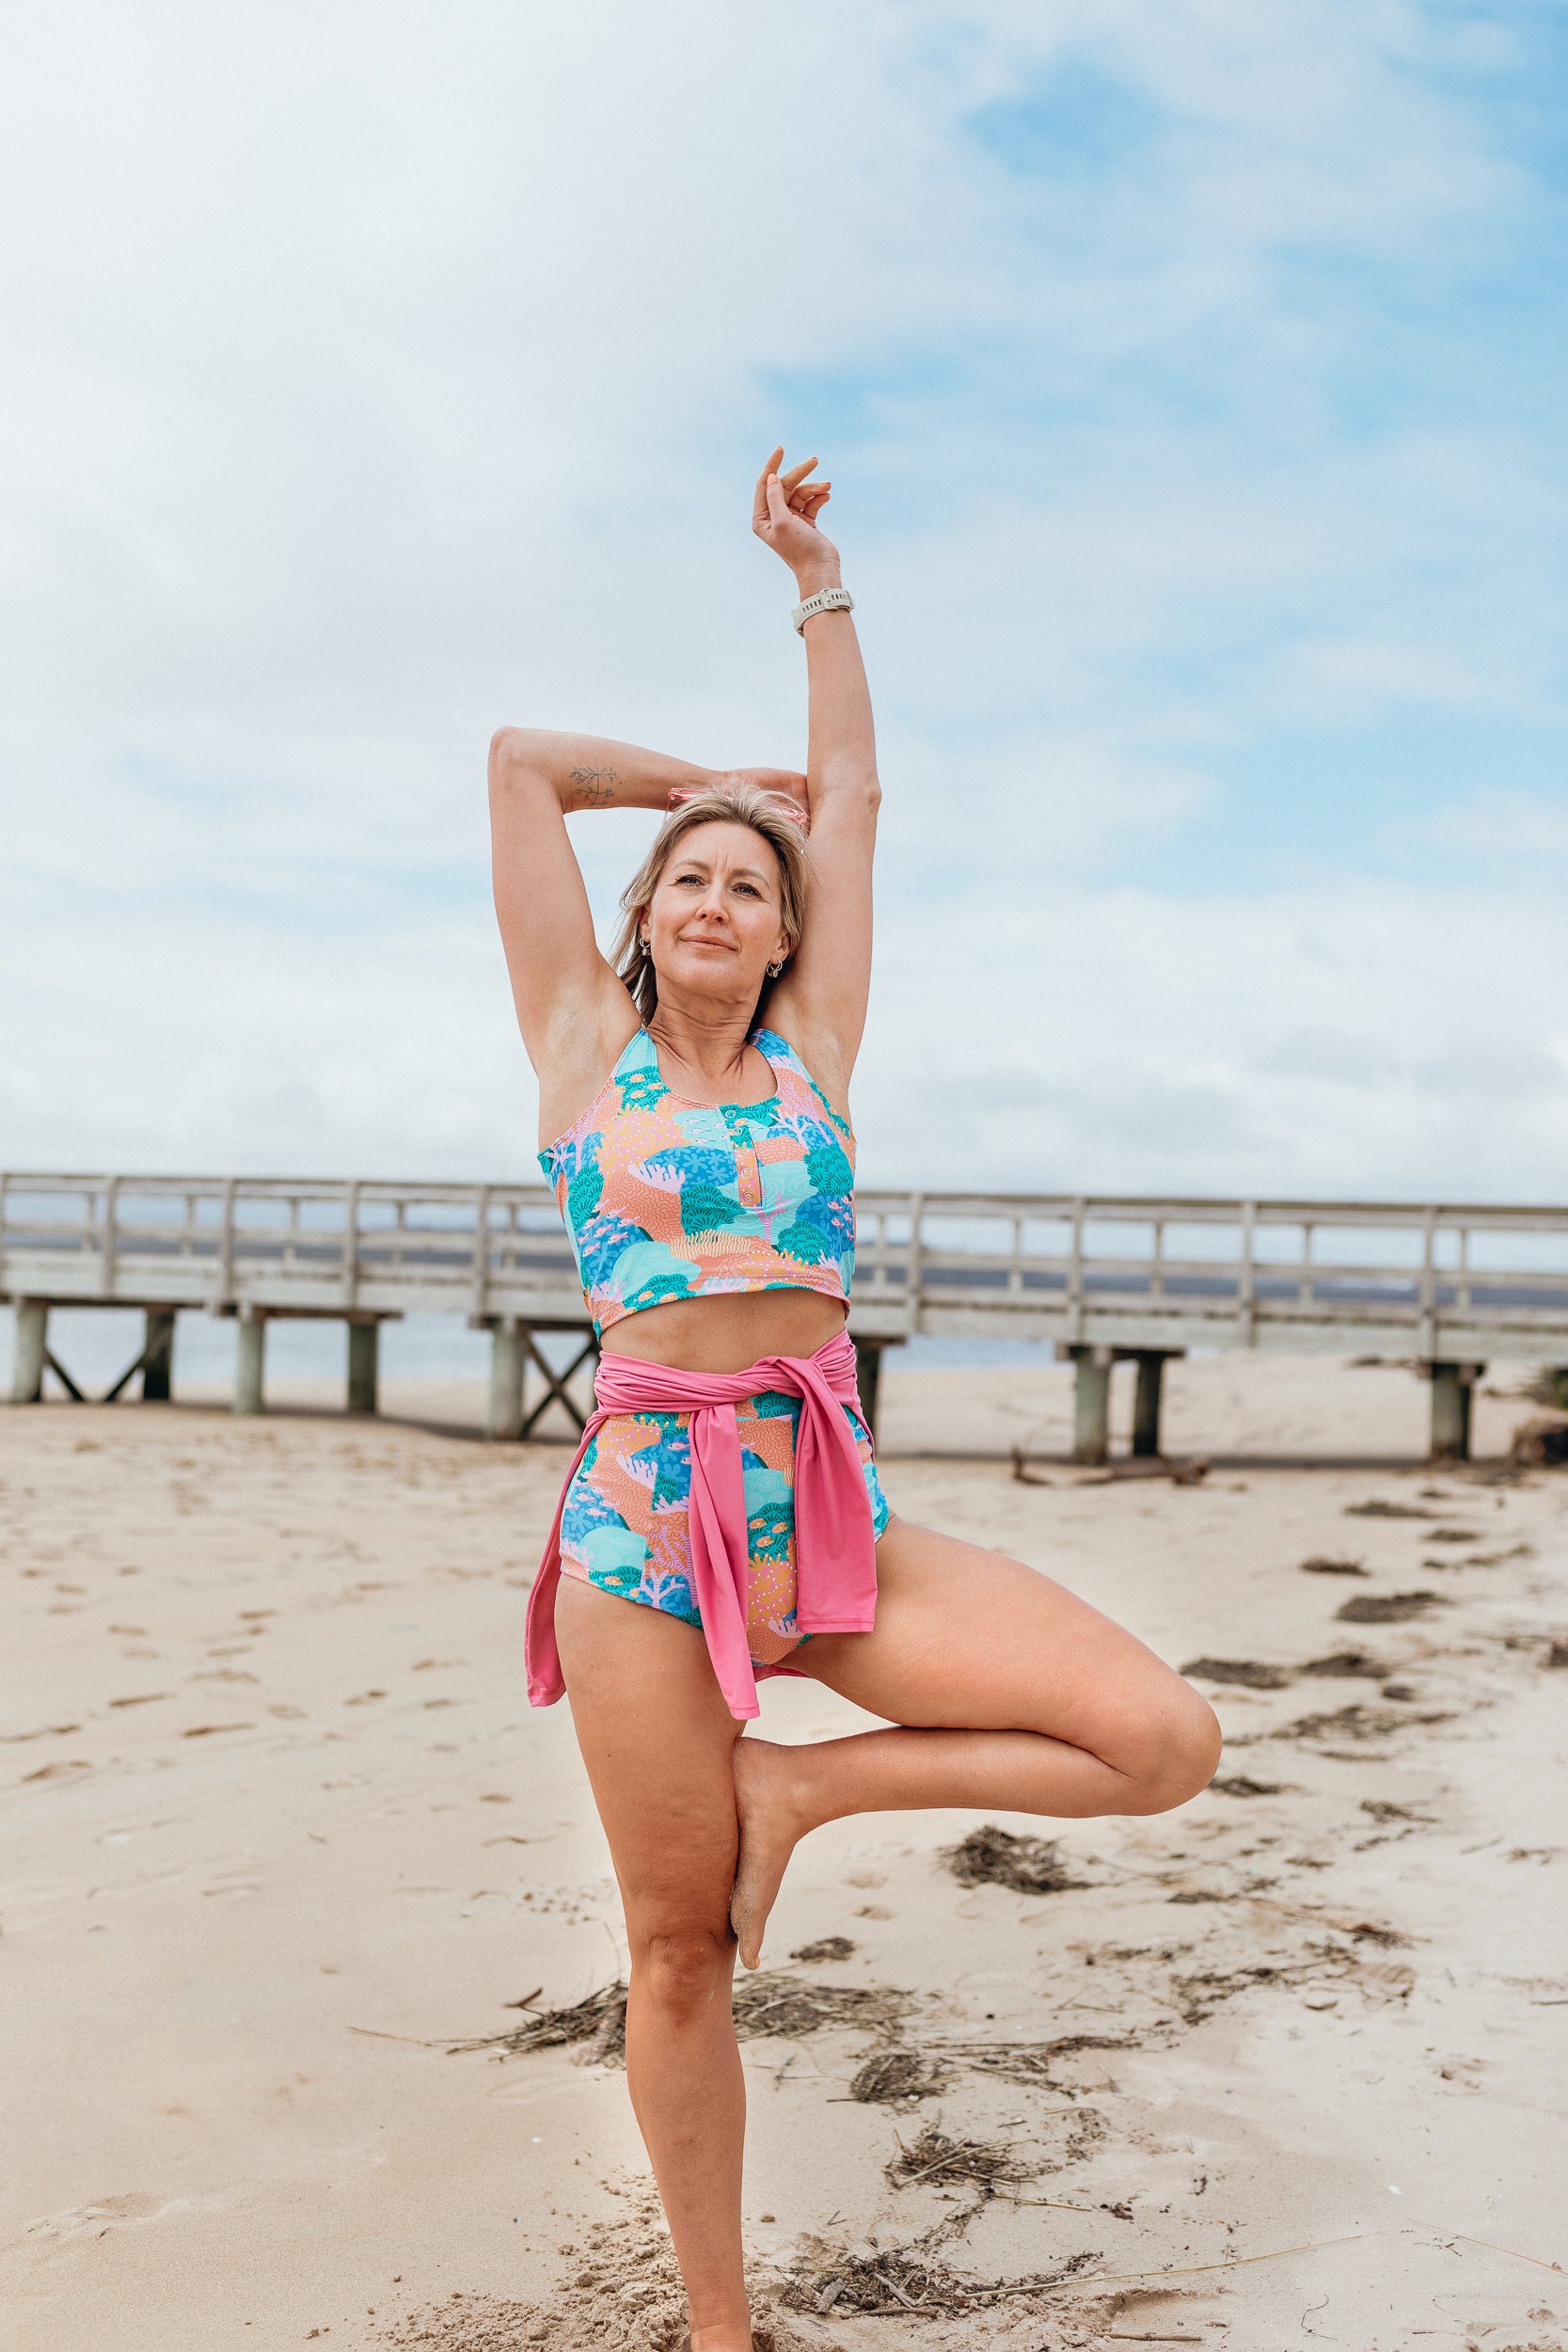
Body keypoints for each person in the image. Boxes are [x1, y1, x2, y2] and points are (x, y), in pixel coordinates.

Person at [487, 449, 1222, 2352]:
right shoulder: (581, 1047)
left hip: (825, 1509)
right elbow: (515, 764)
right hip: (640, 1529)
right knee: (675, 1948)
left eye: (755, 883)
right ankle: (722, 2323)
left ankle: (801, 1785)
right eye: (694, 883)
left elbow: (863, 795)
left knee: (1161, 1739)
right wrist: (709, 789)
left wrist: (817, 582)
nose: (723, 896)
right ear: (646, 920)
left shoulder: (818, 1045)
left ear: (795, 938)